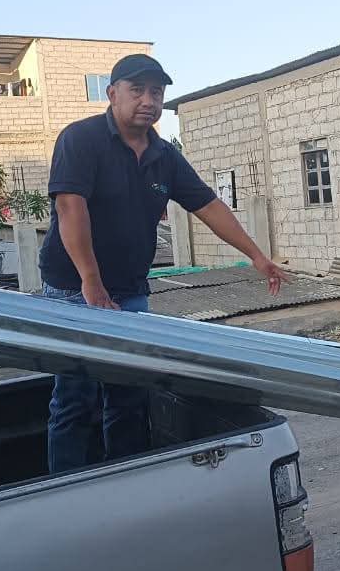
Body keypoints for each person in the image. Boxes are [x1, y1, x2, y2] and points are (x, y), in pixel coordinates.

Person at [39, 53, 287, 474]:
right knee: (75, 398)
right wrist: (90, 281)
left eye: (156, 92)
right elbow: (69, 208)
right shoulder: (80, 139)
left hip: (130, 290)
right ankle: (64, 486)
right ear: (112, 93)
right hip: (73, 288)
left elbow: (208, 205)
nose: (148, 101)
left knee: (129, 395)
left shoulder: (164, 155)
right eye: (137, 90)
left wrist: (257, 255)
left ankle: (128, 481)